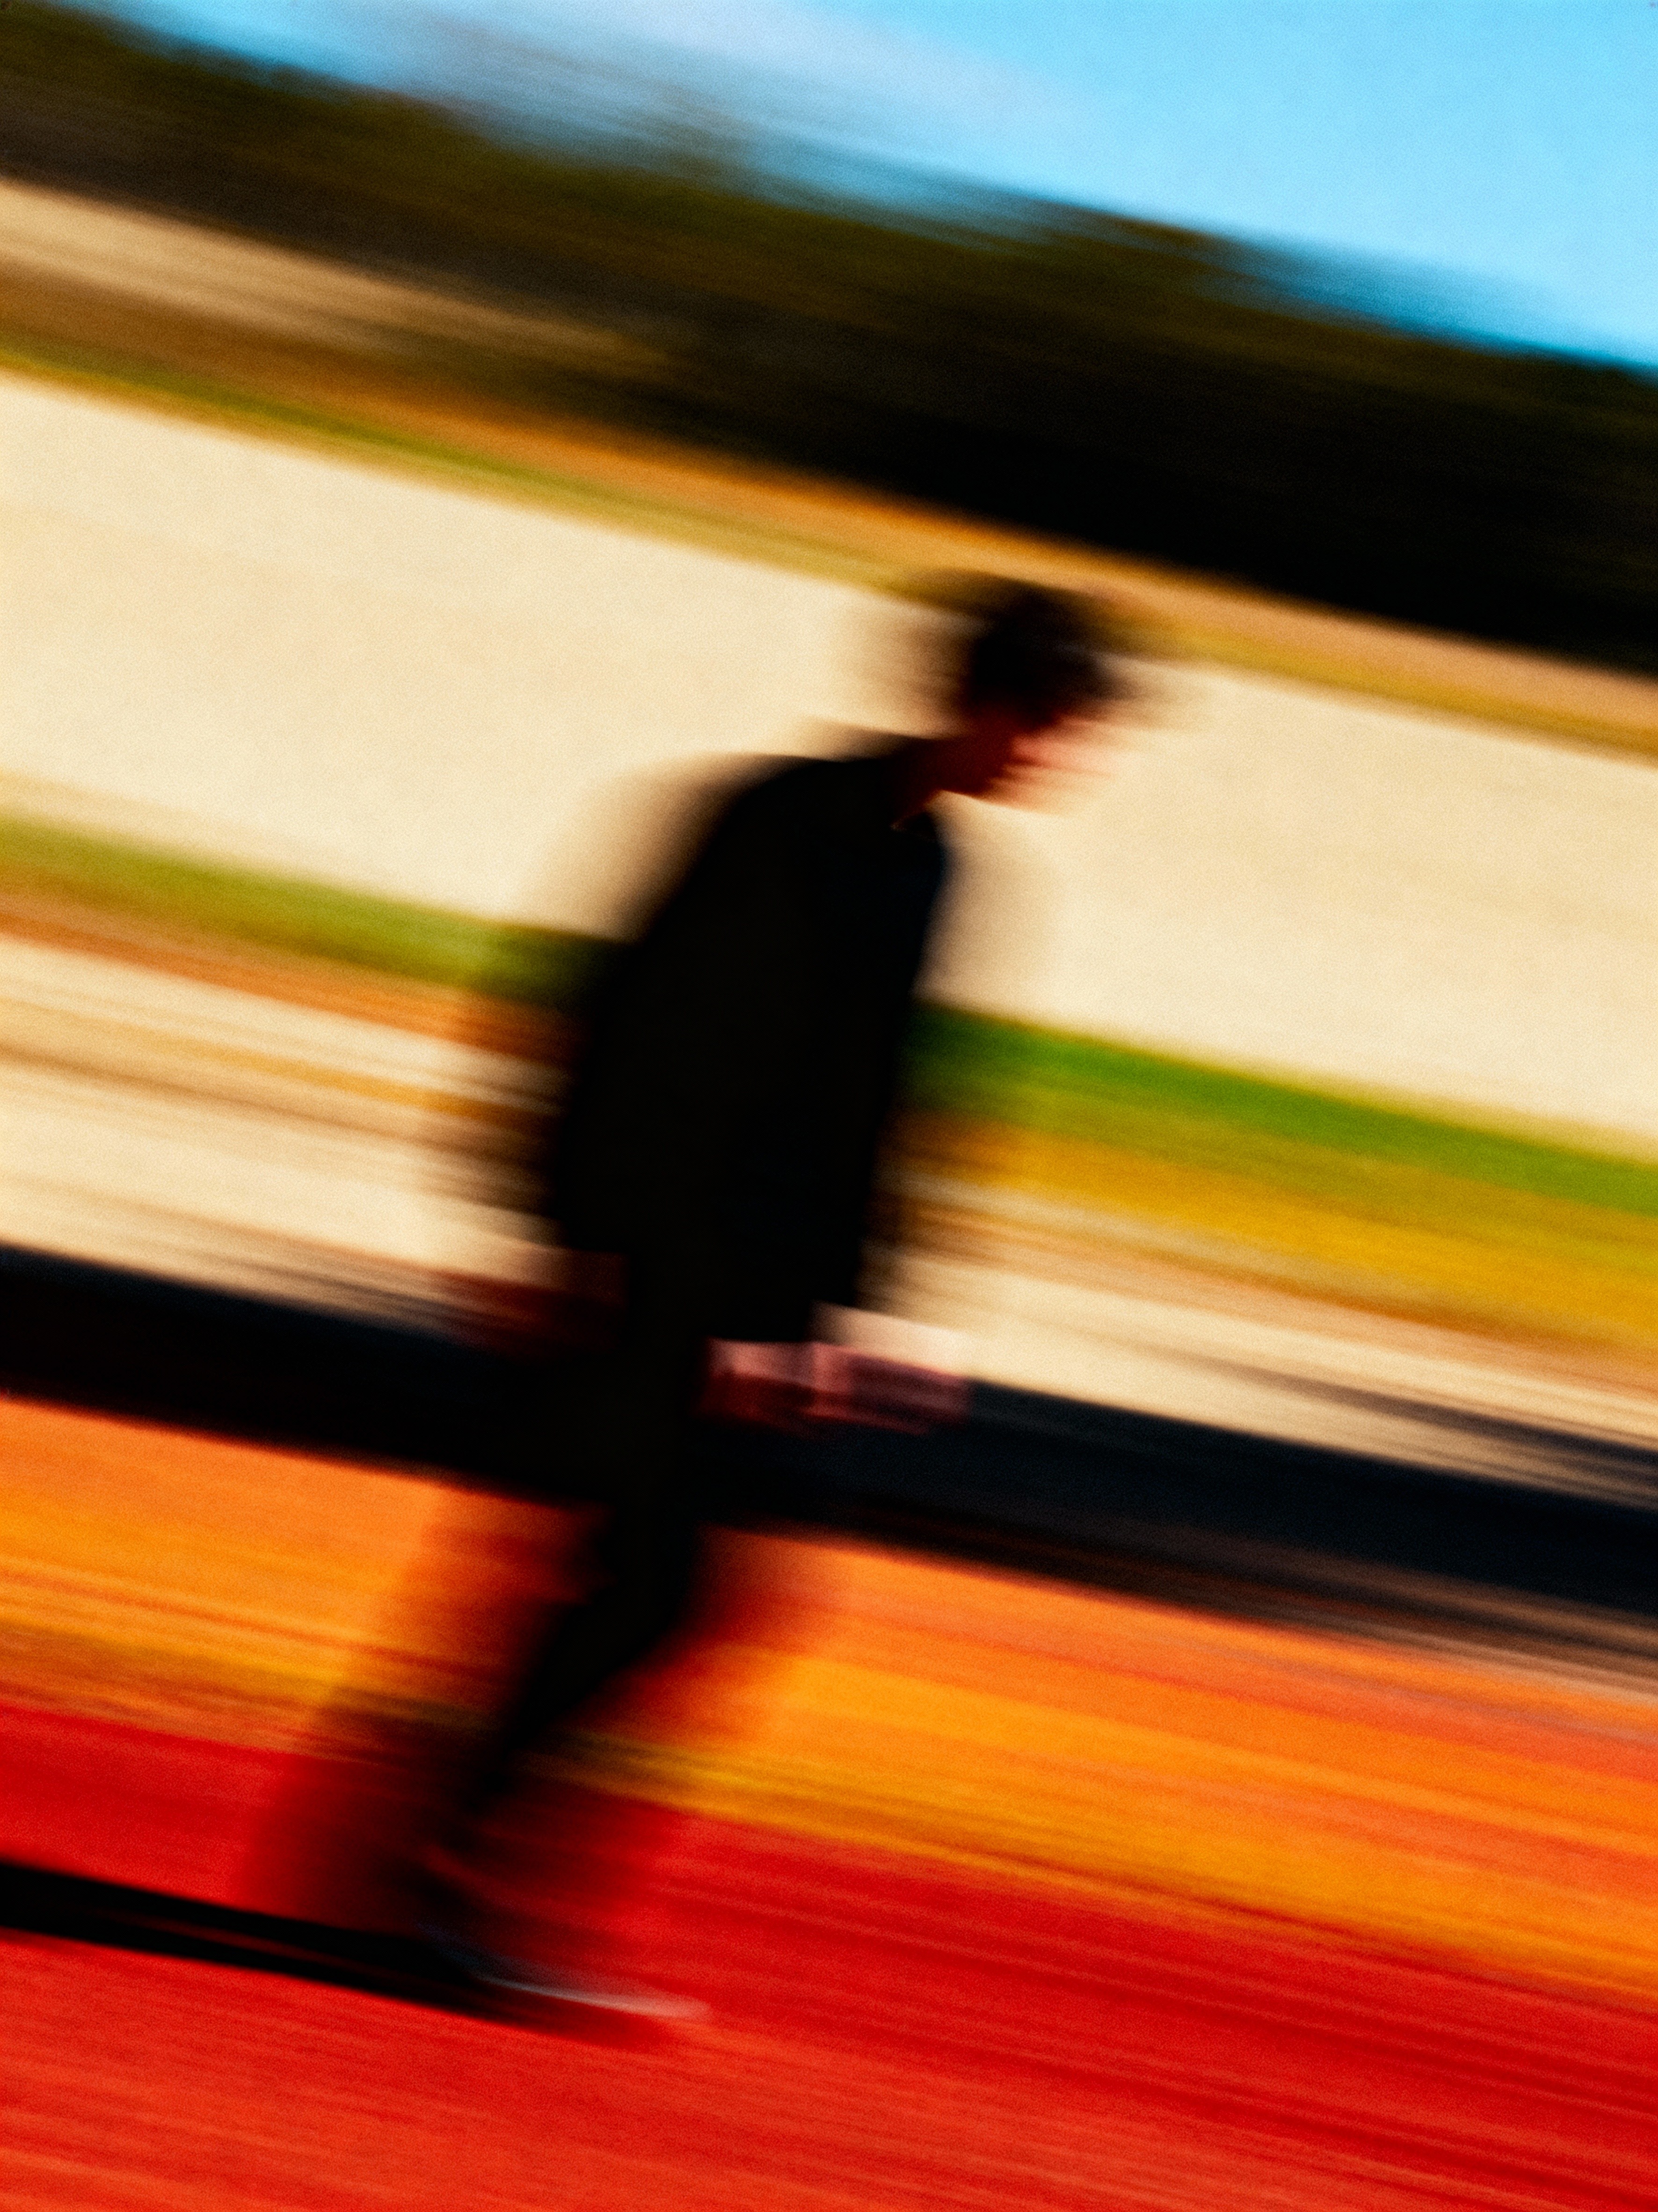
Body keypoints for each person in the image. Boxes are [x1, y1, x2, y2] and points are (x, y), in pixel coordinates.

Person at [420, 578, 1116, 2009]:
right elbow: (638, 1043)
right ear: (982, 704)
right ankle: (460, 1881)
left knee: (645, 1582)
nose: (1061, 756)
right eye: (1049, 724)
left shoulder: (936, 864)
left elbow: (875, 1110)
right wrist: (570, 1242)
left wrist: (857, 1310)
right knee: (660, 1583)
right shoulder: (777, 824)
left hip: (748, 1297)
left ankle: (446, 1868)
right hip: (652, 1271)